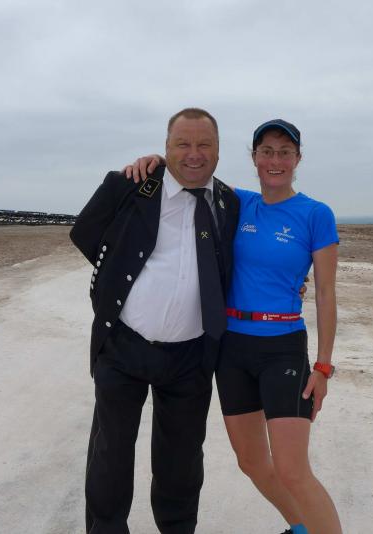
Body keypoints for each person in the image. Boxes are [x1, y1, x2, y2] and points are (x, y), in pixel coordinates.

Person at [125, 119, 343, 534]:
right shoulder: (237, 203)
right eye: (267, 152)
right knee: (252, 462)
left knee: (293, 470)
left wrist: (323, 365)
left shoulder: (316, 214)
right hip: (232, 349)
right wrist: (155, 162)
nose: (275, 160)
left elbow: (327, 294)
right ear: (254, 157)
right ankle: (301, 528)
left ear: (297, 159)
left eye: (285, 153)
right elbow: (192, 170)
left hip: (282, 346)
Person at [69, 107, 240, 533]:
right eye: (183, 144)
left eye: (204, 145)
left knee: (181, 462)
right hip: (122, 348)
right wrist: (116, 273)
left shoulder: (229, 203)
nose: (194, 154)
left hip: (191, 356)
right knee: (110, 455)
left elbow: (247, 259)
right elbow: (85, 232)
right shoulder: (131, 186)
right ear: (166, 148)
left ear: (219, 151)